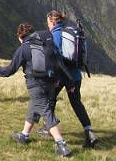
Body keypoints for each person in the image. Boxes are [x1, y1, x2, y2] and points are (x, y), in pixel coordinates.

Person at [0, 23, 71, 157]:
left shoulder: (24, 48)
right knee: (34, 107)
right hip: (51, 82)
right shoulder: (46, 41)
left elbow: (8, 71)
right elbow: (58, 60)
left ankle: (61, 145)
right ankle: (24, 135)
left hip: (36, 85)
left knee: (45, 110)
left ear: (20, 36)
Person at [38, 11, 98, 148]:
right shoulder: (73, 34)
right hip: (76, 76)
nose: (47, 25)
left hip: (63, 76)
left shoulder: (56, 35)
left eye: (48, 22)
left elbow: (58, 60)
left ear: (53, 22)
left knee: (49, 98)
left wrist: (65, 79)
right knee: (76, 103)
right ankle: (89, 131)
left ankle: (48, 127)